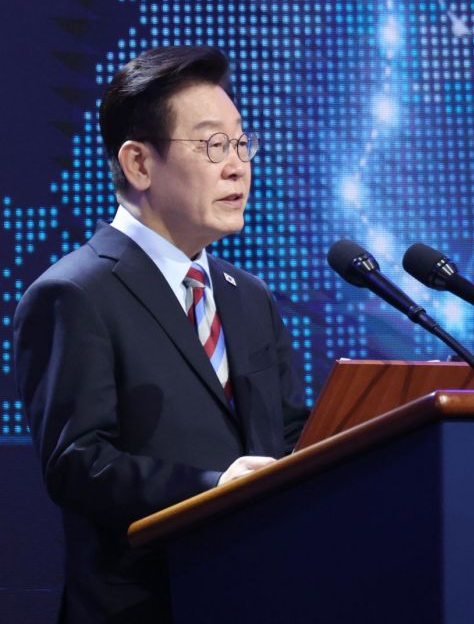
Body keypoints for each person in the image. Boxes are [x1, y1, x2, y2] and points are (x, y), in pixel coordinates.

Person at [13, 45, 309, 623]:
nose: (238, 166)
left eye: (242, 143)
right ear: (139, 164)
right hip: (147, 605)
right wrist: (214, 487)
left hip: (261, 595)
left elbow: (288, 434)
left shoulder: (248, 296)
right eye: (213, 145)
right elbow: (78, 464)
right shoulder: (74, 293)